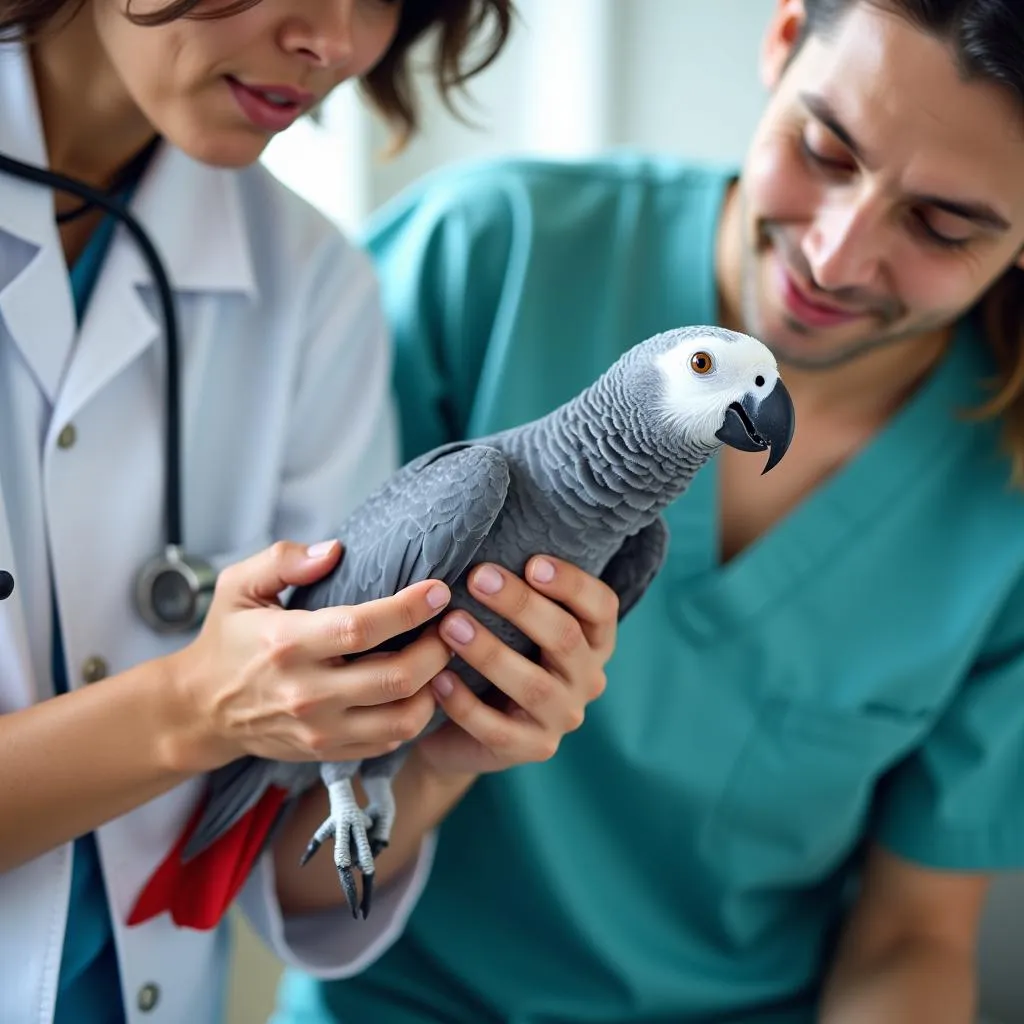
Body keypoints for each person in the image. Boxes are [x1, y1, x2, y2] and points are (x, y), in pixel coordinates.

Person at [270, 0, 1024, 1021]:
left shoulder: (1001, 501)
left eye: (941, 224)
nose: (834, 258)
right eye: (821, 148)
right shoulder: (487, 257)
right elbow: (282, 850)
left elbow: (911, 934)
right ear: (778, 36)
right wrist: (448, 751)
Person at [0, 0, 623, 1021]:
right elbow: (210, 717)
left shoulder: (311, 284)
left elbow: (280, 870)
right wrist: (190, 707)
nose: (332, 43)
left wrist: (441, 756)